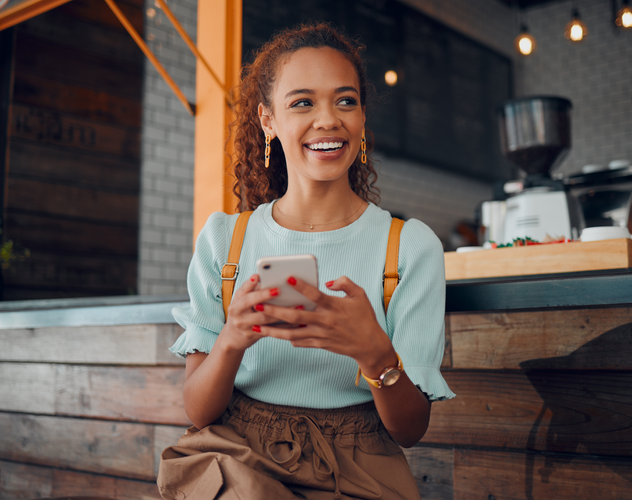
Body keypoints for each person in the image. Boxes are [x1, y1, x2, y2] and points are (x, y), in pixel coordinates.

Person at [157, 22, 455, 500]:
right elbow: (197, 411)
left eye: (345, 101)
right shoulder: (225, 240)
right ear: (268, 120)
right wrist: (232, 339)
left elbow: (409, 431)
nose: (328, 120)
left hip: (362, 468)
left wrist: (376, 355)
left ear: (361, 117)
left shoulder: (410, 247)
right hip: (240, 459)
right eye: (302, 102)